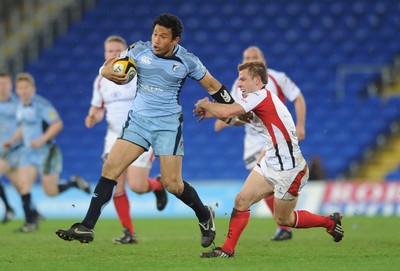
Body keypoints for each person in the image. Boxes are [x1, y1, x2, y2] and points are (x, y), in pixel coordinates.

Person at [55, 13, 238, 247]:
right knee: (110, 167)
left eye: (163, 37)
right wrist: (105, 71)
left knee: (173, 184)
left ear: (176, 40)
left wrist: (234, 109)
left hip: (167, 126)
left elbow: (213, 86)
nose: (156, 40)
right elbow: (110, 66)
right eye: (154, 34)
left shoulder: (188, 61)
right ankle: (86, 226)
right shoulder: (138, 50)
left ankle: (204, 215)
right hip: (138, 122)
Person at [194, 61, 344, 258]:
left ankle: (330, 222)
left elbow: (228, 112)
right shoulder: (259, 100)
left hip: (290, 170)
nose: (239, 84)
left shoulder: (260, 96)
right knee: (241, 200)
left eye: (243, 79)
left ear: (257, 80)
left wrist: (208, 105)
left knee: (285, 219)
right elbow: (241, 120)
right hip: (270, 162)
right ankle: (227, 250)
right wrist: (213, 114)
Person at [214, 46, 306, 241]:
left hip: (273, 138)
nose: (251, 60)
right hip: (252, 139)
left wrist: (300, 125)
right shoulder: (239, 83)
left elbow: (298, 97)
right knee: (263, 188)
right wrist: (225, 120)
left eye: (255, 57)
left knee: (263, 181)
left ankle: (284, 224)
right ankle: (284, 223)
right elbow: (236, 112)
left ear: (263, 60)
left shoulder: (276, 78)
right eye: (247, 57)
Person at [85, 35, 167, 244]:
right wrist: (93, 116)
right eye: (109, 51)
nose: (113, 54)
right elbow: (99, 107)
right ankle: (129, 233)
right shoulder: (100, 80)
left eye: (117, 51)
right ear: (104, 54)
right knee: (116, 185)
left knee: (137, 186)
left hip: (140, 132)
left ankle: (158, 186)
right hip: (114, 135)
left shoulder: (137, 73)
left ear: (124, 53)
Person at [3, 72, 91, 232]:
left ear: (33, 88)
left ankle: (73, 183)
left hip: (47, 152)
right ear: (17, 90)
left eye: (26, 87)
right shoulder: (20, 107)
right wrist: (13, 140)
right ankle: (30, 222)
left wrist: (42, 140)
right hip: (28, 153)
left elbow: (57, 124)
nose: (23, 91)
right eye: (20, 88)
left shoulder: (42, 105)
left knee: (50, 192)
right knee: (23, 185)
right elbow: (23, 128)